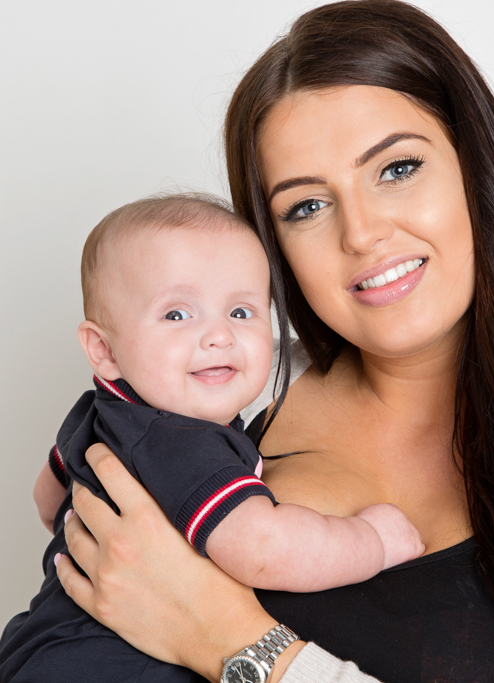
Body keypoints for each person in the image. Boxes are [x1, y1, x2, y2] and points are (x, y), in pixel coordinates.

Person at [47, 1, 494, 682]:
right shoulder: (218, 379)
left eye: (396, 168)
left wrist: (231, 637)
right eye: (306, 206)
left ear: (476, 167)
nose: (361, 232)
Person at [0, 193, 424, 683]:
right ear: (104, 349)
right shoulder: (180, 440)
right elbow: (263, 551)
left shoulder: (100, 412)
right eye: (177, 315)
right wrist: (372, 540)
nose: (219, 335)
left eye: (241, 312)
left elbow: (48, 497)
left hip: (40, 647)